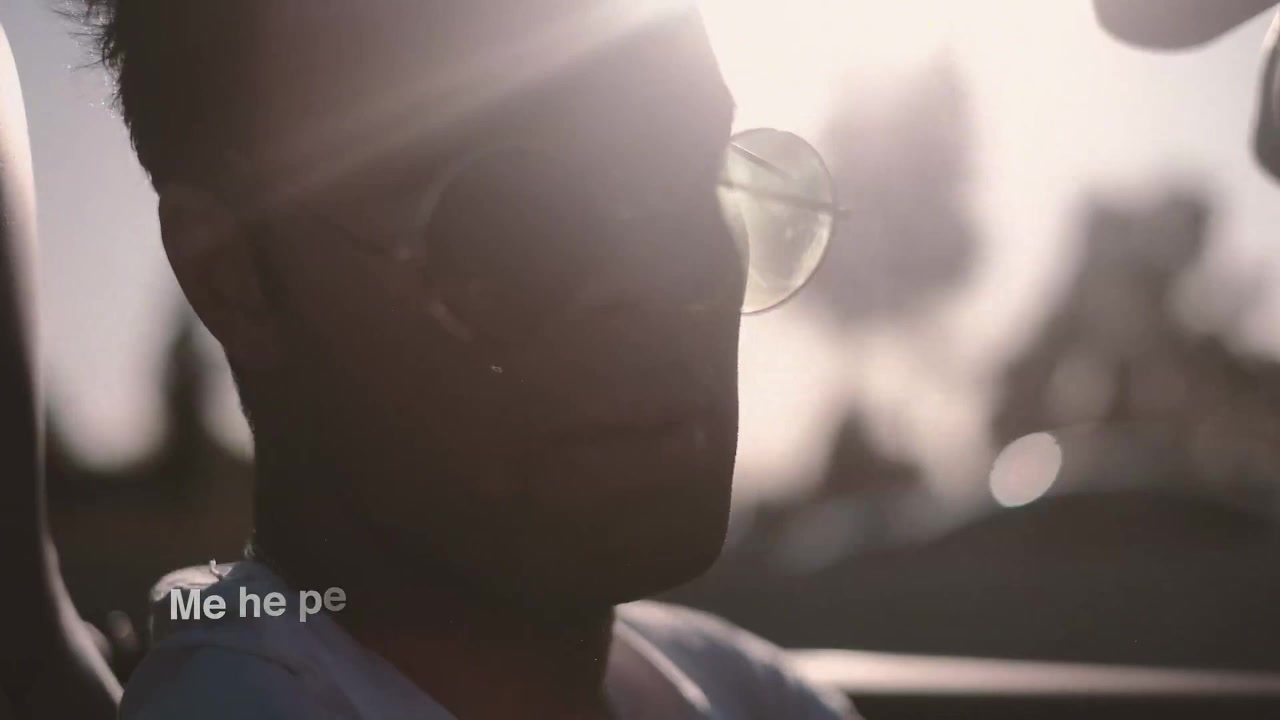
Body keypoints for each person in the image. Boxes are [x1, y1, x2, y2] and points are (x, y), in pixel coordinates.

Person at [75, 0, 856, 717]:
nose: (651, 292)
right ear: (237, 279)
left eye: (689, 183)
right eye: (506, 220)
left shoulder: (750, 695)